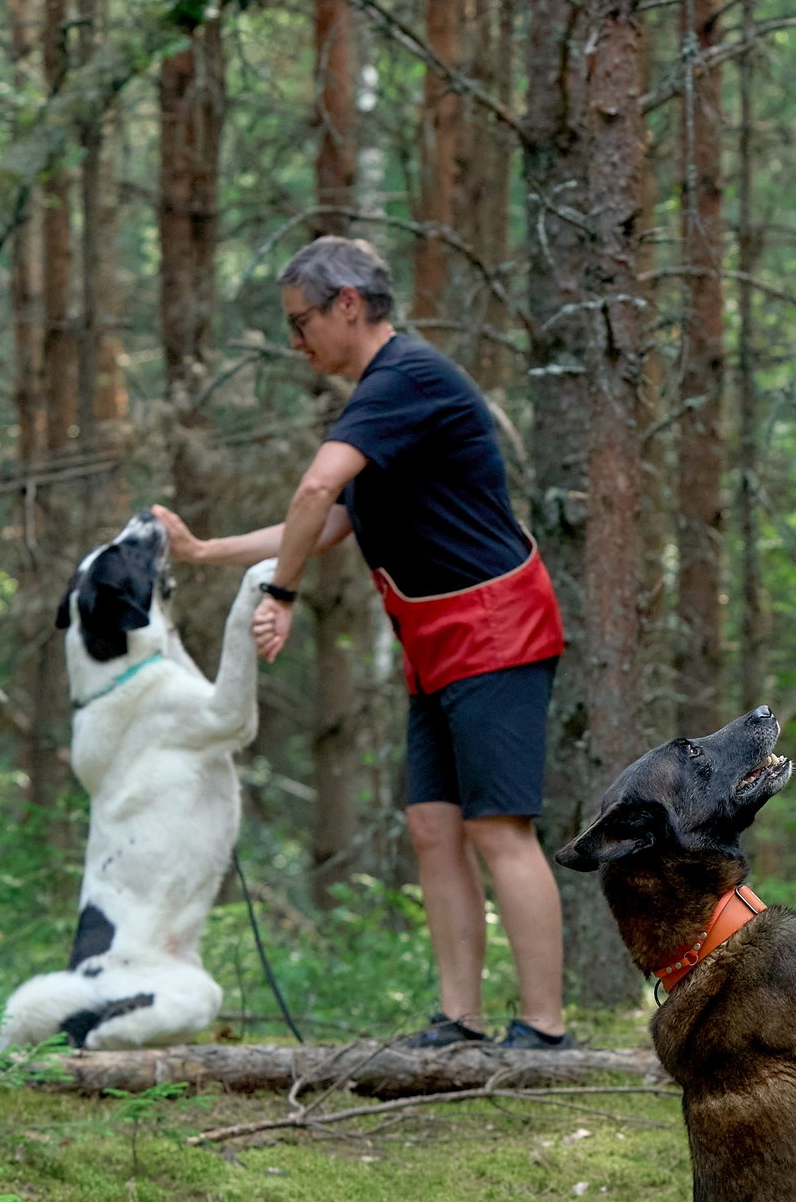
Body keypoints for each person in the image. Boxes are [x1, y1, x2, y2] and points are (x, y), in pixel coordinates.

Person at [157, 235, 575, 1051]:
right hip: (435, 640)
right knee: (430, 823)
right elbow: (337, 517)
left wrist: (280, 593)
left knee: (499, 828)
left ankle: (545, 1026)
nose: (296, 341)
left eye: (301, 320)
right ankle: (460, 1018)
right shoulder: (380, 396)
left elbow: (318, 488)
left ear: (349, 303)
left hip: (496, 627)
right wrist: (207, 553)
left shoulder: (405, 377)